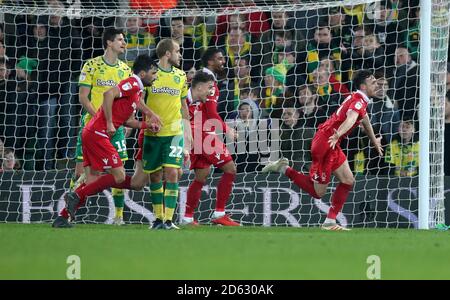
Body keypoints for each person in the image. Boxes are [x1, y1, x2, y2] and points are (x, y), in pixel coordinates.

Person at [262, 70, 383, 230]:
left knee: (348, 180)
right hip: (326, 143)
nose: (377, 84)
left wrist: (374, 140)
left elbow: (364, 118)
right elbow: (352, 118)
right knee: (318, 192)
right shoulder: (358, 102)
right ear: (363, 86)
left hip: (331, 142)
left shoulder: (359, 99)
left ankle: (330, 221)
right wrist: (338, 133)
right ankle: (285, 169)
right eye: (372, 82)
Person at [52, 54, 161, 228]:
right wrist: (109, 122)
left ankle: (62, 218)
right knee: (118, 176)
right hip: (98, 133)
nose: (155, 77)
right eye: (154, 73)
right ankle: (76, 196)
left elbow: (128, 121)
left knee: (92, 181)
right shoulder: (132, 83)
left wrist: (147, 125)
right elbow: (108, 93)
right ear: (142, 74)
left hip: (91, 133)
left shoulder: (136, 92)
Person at [73, 28, 132, 225]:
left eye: (124, 40)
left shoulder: (125, 70)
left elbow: (129, 100)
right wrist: (101, 118)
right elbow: (83, 97)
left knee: (119, 170)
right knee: (83, 173)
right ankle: (70, 209)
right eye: (120, 40)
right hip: (92, 126)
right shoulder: (91, 65)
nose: (124, 43)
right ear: (109, 42)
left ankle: (119, 217)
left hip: (115, 128)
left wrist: (127, 120)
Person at [143, 38, 191, 230]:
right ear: (168, 54)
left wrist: (187, 132)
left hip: (174, 132)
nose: (180, 55)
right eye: (178, 51)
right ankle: (158, 219)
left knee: (172, 173)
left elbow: (183, 105)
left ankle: (169, 221)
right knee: (154, 176)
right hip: (152, 133)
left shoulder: (181, 76)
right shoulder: (150, 74)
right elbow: (139, 99)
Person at [182, 71, 240, 226]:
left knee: (201, 175)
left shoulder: (193, 93)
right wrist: (227, 130)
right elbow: (212, 114)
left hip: (195, 135)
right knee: (230, 168)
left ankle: (187, 217)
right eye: (219, 58)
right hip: (201, 134)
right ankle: (219, 213)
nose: (211, 90)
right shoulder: (186, 95)